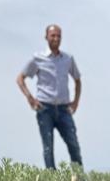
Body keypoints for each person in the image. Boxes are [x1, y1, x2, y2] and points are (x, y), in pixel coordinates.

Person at [16, 24, 83, 170]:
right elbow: (20, 79)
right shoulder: (38, 59)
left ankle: (79, 180)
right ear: (46, 37)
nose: (56, 38)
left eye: (59, 36)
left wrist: (76, 102)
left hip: (64, 109)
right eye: (53, 35)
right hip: (45, 108)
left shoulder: (67, 59)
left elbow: (77, 80)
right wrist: (30, 99)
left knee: (73, 145)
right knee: (48, 147)